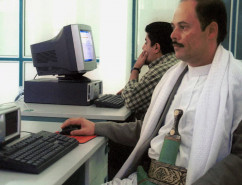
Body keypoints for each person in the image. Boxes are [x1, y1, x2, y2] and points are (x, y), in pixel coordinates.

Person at [61, 0, 242, 184]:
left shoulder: (237, 82)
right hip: (145, 178)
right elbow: (147, 129)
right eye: (173, 27)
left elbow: (239, 160)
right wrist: (96, 127)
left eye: (183, 27)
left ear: (211, 30)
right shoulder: (173, 77)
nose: (173, 35)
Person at [119, 22, 179, 120]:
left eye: (146, 42)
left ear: (156, 47)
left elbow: (130, 101)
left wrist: (136, 68)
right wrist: (132, 89)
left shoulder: (159, 71)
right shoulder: (175, 62)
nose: (143, 47)